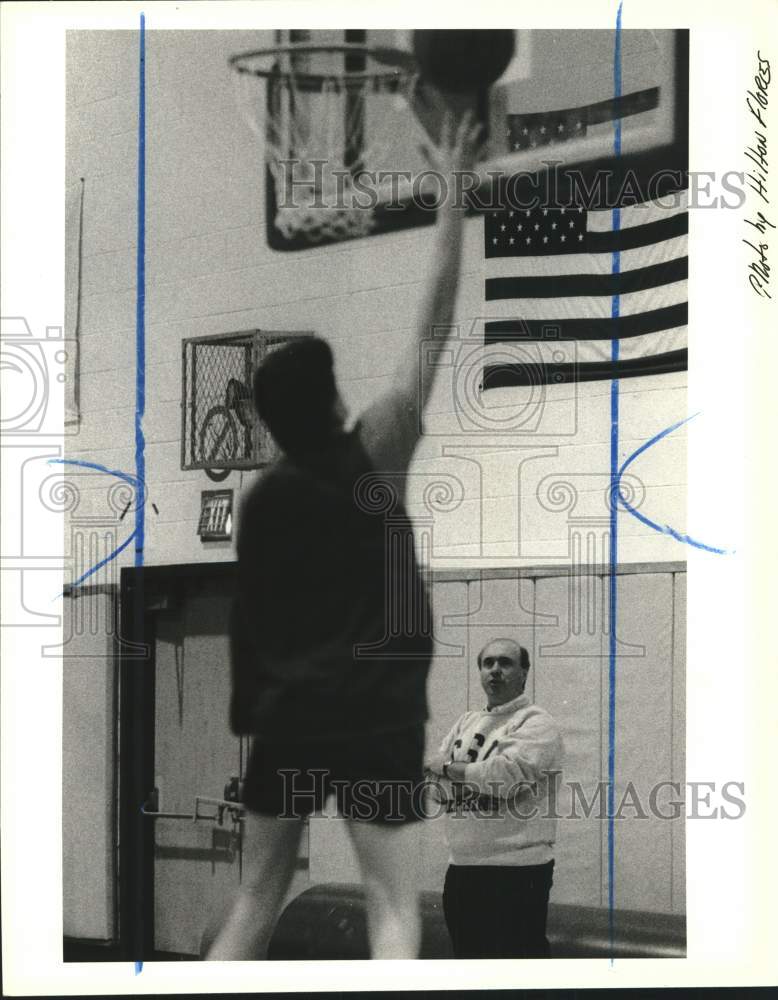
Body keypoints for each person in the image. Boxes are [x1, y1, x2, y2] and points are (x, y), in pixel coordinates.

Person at [205, 113, 482, 961]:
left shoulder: (256, 503)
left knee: (254, 903)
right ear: (332, 401)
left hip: (287, 720)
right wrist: (453, 189)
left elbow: (245, 635)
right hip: (373, 720)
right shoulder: (378, 451)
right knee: (392, 910)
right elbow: (431, 321)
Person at [425, 638, 564, 959]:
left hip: (517, 872)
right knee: (469, 967)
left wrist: (449, 768)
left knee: (518, 973)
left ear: (524, 672)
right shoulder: (465, 722)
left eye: (505, 663)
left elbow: (503, 778)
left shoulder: (536, 721)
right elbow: (433, 789)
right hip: (462, 869)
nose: (495, 671)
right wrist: (474, 776)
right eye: (488, 663)